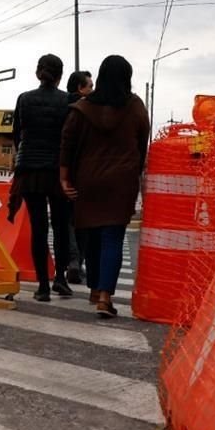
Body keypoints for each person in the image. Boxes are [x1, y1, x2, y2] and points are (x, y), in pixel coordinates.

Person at [60, 55, 149, 318]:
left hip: (88, 180)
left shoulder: (82, 108)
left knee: (92, 235)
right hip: (120, 182)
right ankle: (105, 297)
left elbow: (67, 144)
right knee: (112, 238)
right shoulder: (134, 107)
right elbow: (142, 143)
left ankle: (94, 289)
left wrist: (64, 178)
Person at [9, 54, 72, 301]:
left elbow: (17, 135)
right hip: (57, 170)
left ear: (38, 73)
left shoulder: (24, 99)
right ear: (60, 76)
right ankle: (61, 279)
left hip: (30, 169)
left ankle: (43, 285)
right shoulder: (67, 101)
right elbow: (69, 137)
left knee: (38, 226)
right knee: (61, 225)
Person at [63, 71, 93, 285]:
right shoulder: (88, 110)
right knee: (82, 220)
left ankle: (72, 262)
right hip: (84, 172)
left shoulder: (60, 106)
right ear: (80, 88)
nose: (92, 90)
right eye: (89, 86)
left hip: (63, 170)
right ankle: (77, 261)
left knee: (66, 221)